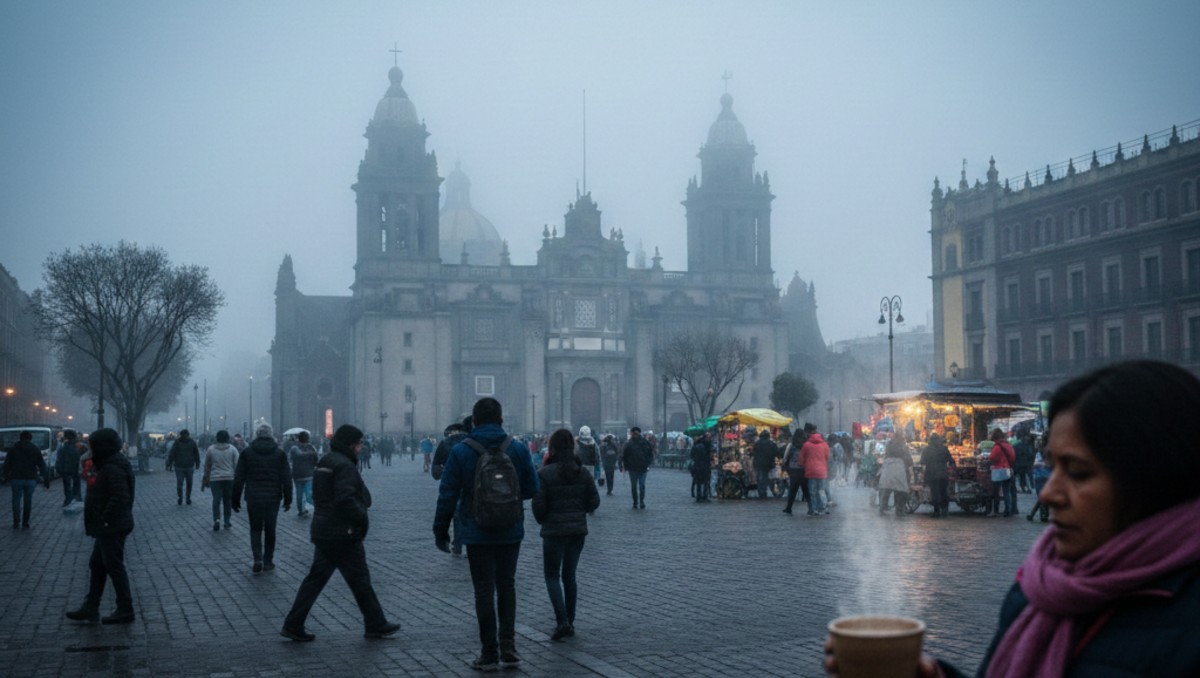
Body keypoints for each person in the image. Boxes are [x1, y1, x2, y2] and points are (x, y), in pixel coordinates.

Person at [827, 360, 1200, 677]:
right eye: (1052, 466)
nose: (1048, 493)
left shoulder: (1185, 626)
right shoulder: (1036, 587)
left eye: (1078, 472)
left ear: (1156, 476)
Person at [433, 398, 538, 671]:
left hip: (476, 529)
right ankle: (509, 646)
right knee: (507, 586)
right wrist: (507, 497)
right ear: (501, 420)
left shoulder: (461, 451)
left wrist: (441, 530)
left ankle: (489, 653)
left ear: (475, 421)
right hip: (510, 529)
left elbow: (447, 494)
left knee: (483, 590)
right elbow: (531, 488)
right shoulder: (517, 448)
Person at [281, 424, 400, 642]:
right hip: (342, 532)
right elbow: (346, 498)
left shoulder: (326, 461)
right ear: (350, 444)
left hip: (324, 528)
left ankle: (293, 623)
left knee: (317, 579)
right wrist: (361, 518)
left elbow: (321, 495)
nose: (361, 447)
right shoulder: (344, 465)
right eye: (359, 443)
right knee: (359, 579)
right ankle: (375, 623)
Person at [532, 428, 600, 641]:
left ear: (552, 448)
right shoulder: (583, 472)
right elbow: (594, 501)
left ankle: (562, 621)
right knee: (569, 576)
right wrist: (580, 512)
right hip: (577, 531)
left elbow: (538, 505)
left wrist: (545, 518)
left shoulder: (544, 473)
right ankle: (570, 620)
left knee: (552, 575)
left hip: (554, 532)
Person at [65, 428, 135, 624]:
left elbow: (120, 496)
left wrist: (105, 518)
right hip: (110, 524)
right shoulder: (109, 464)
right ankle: (91, 606)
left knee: (114, 566)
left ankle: (125, 608)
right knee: (97, 564)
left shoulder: (112, 467)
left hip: (112, 525)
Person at [232, 423, 292, 573]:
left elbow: (239, 477)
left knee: (255, 528)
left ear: (257, 435)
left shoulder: (247, 453)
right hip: (273, 497)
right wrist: (288, 498)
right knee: (271, 529)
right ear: (271, 435)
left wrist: (235, 498)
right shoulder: (279, 453)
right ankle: (268, 561)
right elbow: (286, 478)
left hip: (253, 496)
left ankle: (257, 559)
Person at [432, 417, 471, 556]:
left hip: (453, 483)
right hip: (473, 484)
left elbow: (435, 471)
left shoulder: (445, 443)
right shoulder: (475, 442)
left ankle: (457, 544)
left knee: (457, 514)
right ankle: (470, 544)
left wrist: (445, 473)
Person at [4, 430, 50, 528]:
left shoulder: (13, 449)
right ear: (30, 438)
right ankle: (25, 522)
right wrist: (46, 478)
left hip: (16, 478)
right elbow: (41, 464)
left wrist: (5, 476)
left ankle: (16, 521)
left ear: (20, 438)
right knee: (28, 500)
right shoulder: (35, 449)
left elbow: (7, 464)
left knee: (16, 500)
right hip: (30, 478)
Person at [203, 430, 239, 531]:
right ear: (227, 438)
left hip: (215, 479)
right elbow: (237, 464)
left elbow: (207, 465)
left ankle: (217, 519)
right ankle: (227, 521)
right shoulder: (233, 449)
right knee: (227, 500)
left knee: (216, 499)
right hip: (229, 478)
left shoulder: (211, 449)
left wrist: (206, 476)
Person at [920, 433, 955, 518]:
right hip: (943, 474)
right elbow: (951, 460)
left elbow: (922, 461)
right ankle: (945, 511)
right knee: (943, 492)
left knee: (934, 492)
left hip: (931, 473)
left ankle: (936, 511)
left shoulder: (927, 450)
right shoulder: (944, 449)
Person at [877, 433, 913, 516]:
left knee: (886, 489)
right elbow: (909, 460)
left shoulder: (889, 445)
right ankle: (899, 509)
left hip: (888, 469)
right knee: (901, 491)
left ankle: (883, 507)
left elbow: (885, 456)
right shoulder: (903, 447)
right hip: (900, 470)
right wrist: (909, 464)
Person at [799, 425, 831, 515]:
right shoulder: (824, 444)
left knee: (812, 492)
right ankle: (823, 507)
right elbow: (828, 457)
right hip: (822, 471)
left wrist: (804, 465)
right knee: (821, 490)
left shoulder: (806, 445)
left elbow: (801, 459)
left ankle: (814, 509)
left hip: (811, 471)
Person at [165, 428, 201, 506]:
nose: (184, 437)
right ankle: (185, 498)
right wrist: (197, 463)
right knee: (187, 483)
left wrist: (169, 463)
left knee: (182, 483)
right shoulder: (186, 442)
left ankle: (182, 498)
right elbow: (196, 454)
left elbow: (172, 453)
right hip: (184, 466)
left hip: (182, 466)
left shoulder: (181, 442)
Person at [621, 426, 653, 509]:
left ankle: (641, 501)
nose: (634, 434)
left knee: (641, 485)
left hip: (642, 467)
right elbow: (624, 456)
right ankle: (635, 501)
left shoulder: (645, 443)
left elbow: (650, 454)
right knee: (634, 486)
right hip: (633, 468)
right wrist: (625, 465)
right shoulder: (629, 443)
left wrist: (648, 463)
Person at [987, 428, 1017, 518]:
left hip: (998, 470)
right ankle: (1008, 510)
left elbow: (992, 457)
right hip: (1007, 469)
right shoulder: (1008, 445)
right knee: (1006, 491)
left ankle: (995, 511)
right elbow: (1013, 457)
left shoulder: (997, 446)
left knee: (996, 492)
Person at [288, 431, 318, 518]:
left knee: (300, 495)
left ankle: (301, 510)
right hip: (308, 474)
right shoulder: (311, 448)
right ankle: (309, 509)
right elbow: (315, 459)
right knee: (308, 494)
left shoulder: (294, 448)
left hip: (299, 475)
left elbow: (291, 458)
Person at [56, 429, 85, 506]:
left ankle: (68, 499)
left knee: (67, 486)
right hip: (76, 468)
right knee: (76, 483)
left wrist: (59, 468)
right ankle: (77, 497)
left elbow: (60, 459)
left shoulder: (64, 447)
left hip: (66, 469)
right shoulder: (79, 446)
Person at [781, 433, 806, 515]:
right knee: (805, 489)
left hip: (793, 469)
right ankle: (811, 508)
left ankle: (789, 508)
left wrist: (784, 465)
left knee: (792, 490)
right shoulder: (805, 445)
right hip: (803, 469)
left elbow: (785, 457)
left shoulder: (791, 446)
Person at [751, 429, 778, 499]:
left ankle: (761, 492)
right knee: (764, 478)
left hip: (758, 463)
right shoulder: (771, 444)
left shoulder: (757, 443)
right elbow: (776, 452)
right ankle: (763, 492)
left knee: (760, 478)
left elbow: (753, 452)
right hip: (767, 464)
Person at [690, 431, 713, 503]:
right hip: (705, 466)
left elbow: (691, 455)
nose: (709, 439)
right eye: (709, 437)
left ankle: (698, 497)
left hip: (697, 466)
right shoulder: (707, 445)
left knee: (698, 483)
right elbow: (708, 456)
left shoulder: (696, 445)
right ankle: (704, 496)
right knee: (705, 482)